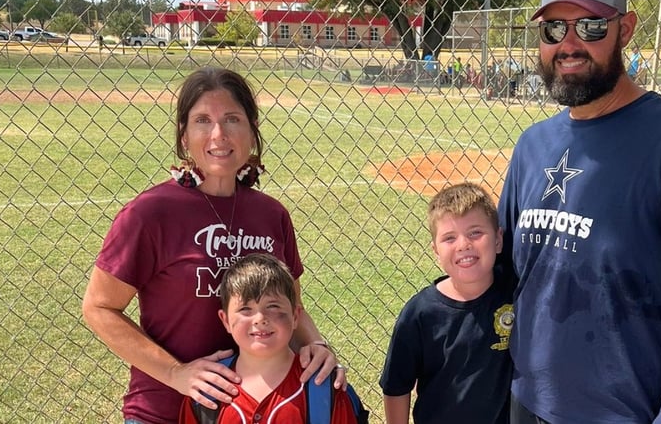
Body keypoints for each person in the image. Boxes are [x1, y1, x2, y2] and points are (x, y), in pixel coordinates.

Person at [499, 0, 661, 423]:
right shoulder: (533, 145)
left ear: (625, 28)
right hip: (527, 403)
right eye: (553, 29)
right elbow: (507, 270)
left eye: (589, 26)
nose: (568, 44)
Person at [82, 67, 344, 424]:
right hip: (165, 410)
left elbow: (291, 304)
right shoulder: (150, 213)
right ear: (184, 135)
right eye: (203, 120)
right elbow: (99, 308)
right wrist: (177, 373)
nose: (219, 134)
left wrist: (317, 345)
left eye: (232, 119)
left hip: (251, 409)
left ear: (252, 130)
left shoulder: (271, 214)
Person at [380, 182, 515, 424]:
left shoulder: (515, 294)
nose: (463, 244)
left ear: (498, 240)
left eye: (475, 232)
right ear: (435, 251)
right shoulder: (420, 313)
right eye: (449, 238)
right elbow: (396, 386)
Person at [178, 253, 359, 424]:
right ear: (225, 320)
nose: (260, 319)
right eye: (245, 309)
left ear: (295, 316)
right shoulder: (206, 392)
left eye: (272, 306)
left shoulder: (323, 387)